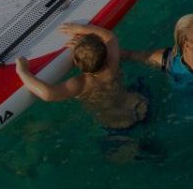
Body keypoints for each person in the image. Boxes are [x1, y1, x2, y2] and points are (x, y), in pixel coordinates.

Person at [15, 23, 150, 135]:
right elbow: (109, 35)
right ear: (105, 53)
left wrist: (22, 71)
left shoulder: (81, 84)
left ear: (76, 62)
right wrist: (80, 29)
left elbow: (48, 94)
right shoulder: (112, 63)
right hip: (138, 105)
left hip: (117, 124)